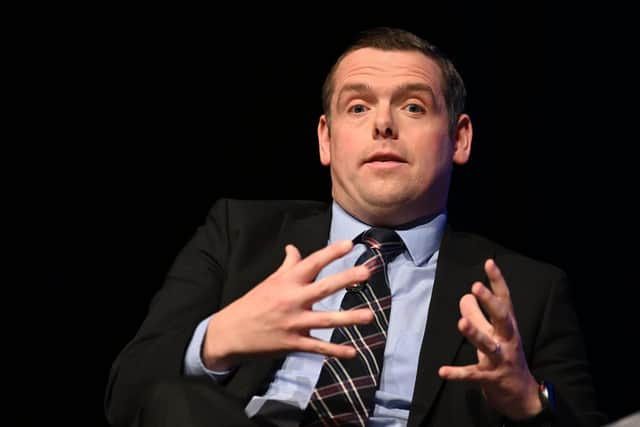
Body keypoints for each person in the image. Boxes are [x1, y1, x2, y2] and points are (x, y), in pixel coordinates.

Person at [104, 27, 605, 427]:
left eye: (413, 106)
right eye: (358, 107)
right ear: (326, 140)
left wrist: (528, 401)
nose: (383, 124)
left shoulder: (528, 289)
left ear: (460, 139)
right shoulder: (238, 233)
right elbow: (128, 399)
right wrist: (217, 340)